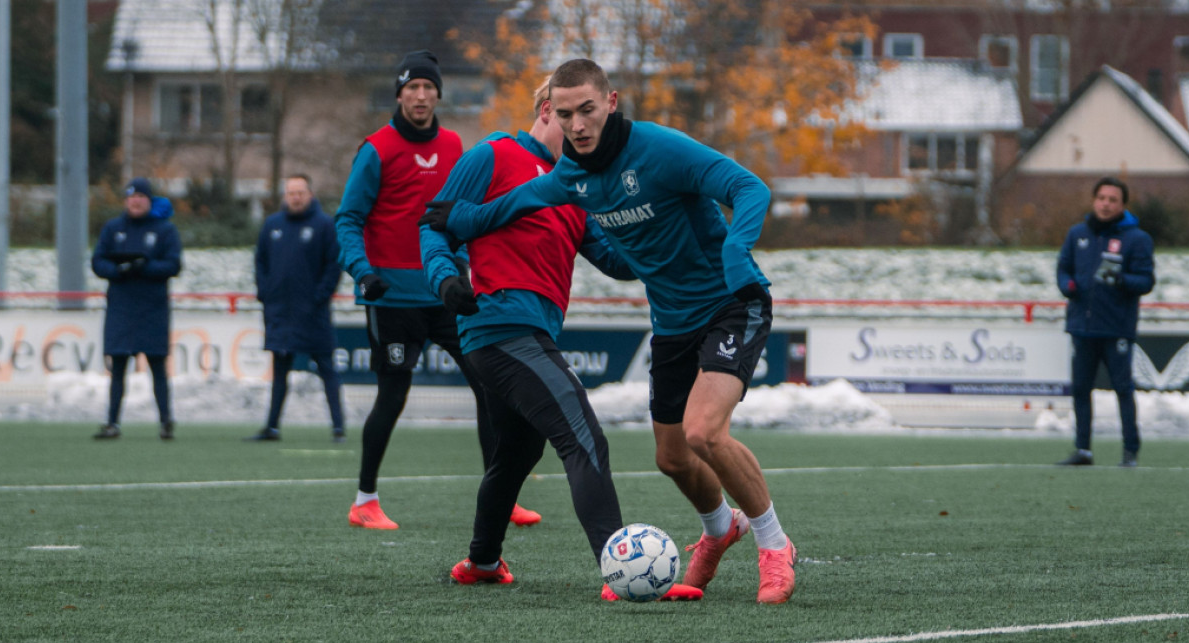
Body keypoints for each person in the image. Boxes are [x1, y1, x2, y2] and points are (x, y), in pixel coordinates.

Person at [421, 58, 797, 605]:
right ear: (551, 111)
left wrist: (736, 252)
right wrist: (455, 226)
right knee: (670, 457)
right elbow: (513, 207)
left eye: (587, 110)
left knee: (702, 433)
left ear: (611, 102)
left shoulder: (661, 149)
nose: (576, 124)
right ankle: (720, 530)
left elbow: (749, 188)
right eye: (566, 113)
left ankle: (774, 545)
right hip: (670, 322)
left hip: (730, 303)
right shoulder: (571, 176)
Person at [335, 49, 539, 530]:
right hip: (393, 296)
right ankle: (365, 500)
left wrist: (466, 267)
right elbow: (348, 219)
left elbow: (462, 214)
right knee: (393, 395)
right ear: (399, 94)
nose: (421, 96)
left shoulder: (453, 146)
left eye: (428, 88)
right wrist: (363, 272)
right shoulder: (377, 149)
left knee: (489, 387)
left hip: (446, 291)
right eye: (412, 88)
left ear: (438, 94)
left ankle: (503, 496)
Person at [1055, 177, 1155, 468]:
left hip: (1116, 328)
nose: (1106, 204)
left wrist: (1122, 280)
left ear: (1122, 205)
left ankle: (1130, 451)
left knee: (1123, 389)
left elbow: (1146, 280)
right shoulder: (1078, 234)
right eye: (1101, 198)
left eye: (1112, 199)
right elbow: (1063, 268)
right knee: (1081, 389)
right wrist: (1067, 285)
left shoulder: (1137, 239)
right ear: (1094, 200)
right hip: (1082, 327)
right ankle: (1083, 450)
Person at [244, 174, 346, 443]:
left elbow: (333, 266)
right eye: (291, 192)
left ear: (310, 194)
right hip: (280, 313)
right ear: (284, 196)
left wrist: (318, 298)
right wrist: (266, 294)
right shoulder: (272, 225)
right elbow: (260, 262)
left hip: (313, 313)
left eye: (300, 192)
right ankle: (272, 427)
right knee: (279, 372)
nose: (296, 197)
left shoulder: (324, 225)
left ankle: (338, 428)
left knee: (327, 369)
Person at [90, 177, 183, 441]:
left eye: (141, 197)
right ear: (125, 201)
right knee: (118, 369)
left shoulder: (164, 230)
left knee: (157, 368)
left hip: (153, 309)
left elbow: (174, 265)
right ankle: (112, 423)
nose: (136, 201)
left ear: (149, 200)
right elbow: (98, 261)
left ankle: (166, 422)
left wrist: (145, 267)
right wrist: (118, 270)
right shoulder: (113, 228)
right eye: (131, 197)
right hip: (121, 308)